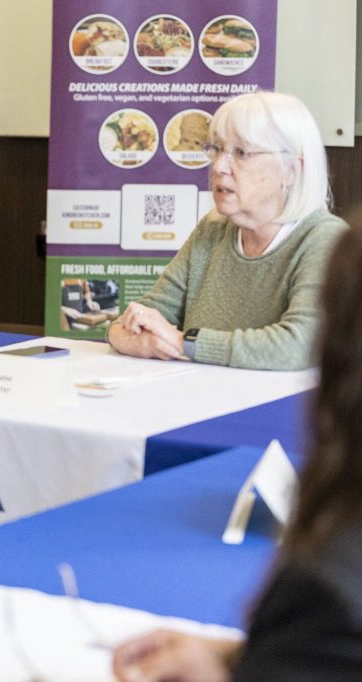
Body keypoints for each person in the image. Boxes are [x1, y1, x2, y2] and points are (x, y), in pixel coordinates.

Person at [112, 223, 362, 680]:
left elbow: (291, 345)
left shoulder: (328, 585)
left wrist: (182, 341)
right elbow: (139, 316)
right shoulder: (211, 233)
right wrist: (229, 655)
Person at [107, 91, 346, 370]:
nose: (219, 166)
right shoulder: (213, 229)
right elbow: (144, 313)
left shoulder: (326, 239)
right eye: (217, 149)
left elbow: (298, 347)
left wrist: (183, 342)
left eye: (241, 153)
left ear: (291, 170)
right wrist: (121, 335)